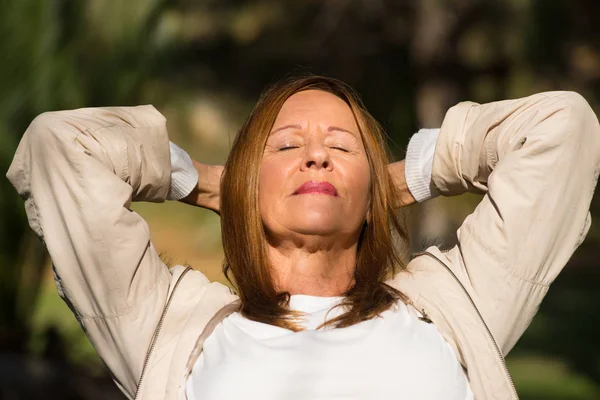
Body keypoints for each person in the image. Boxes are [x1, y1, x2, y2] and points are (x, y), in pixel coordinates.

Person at [6, 75, 600, 400]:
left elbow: (561, 127)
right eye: (286, 146)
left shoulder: (458, 305)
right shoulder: (165, 327)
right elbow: (62, 145)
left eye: (342, 148)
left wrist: (405, 179)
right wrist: (209, 184)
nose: (316, 154)